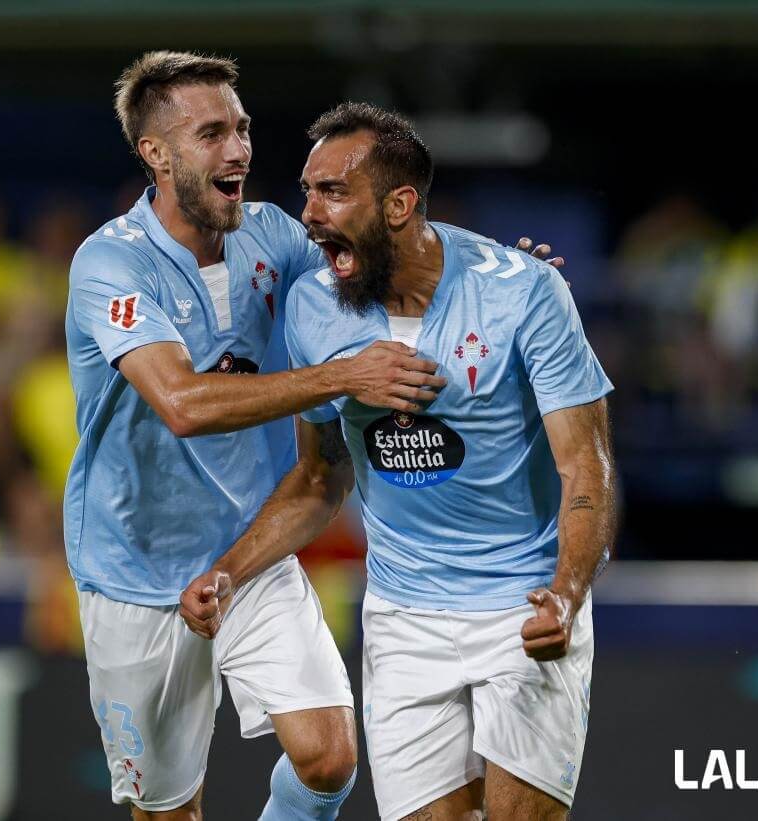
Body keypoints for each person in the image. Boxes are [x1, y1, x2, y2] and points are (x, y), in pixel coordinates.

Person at [179, 103, 617, 821]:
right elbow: (320, 479)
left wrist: (567, 590)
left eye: (332, 192)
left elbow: (586, 467)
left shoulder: (524, 292)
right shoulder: (313, 309)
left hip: (523, 604)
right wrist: (229, 570)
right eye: (307, 189)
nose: (310, 213)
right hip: (404, 618)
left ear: (399, 205)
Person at [67, 51, 449, 820]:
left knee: (330, 755)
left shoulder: (274, 236)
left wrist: (484, 277)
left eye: (242, 128)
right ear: (156, 153)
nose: (239, 149)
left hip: (251, 550)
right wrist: (341, 378)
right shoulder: (110, 263)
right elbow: (181, 402)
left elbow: (373, 274)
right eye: (212, 133)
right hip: (136, 574)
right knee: (169, 810)